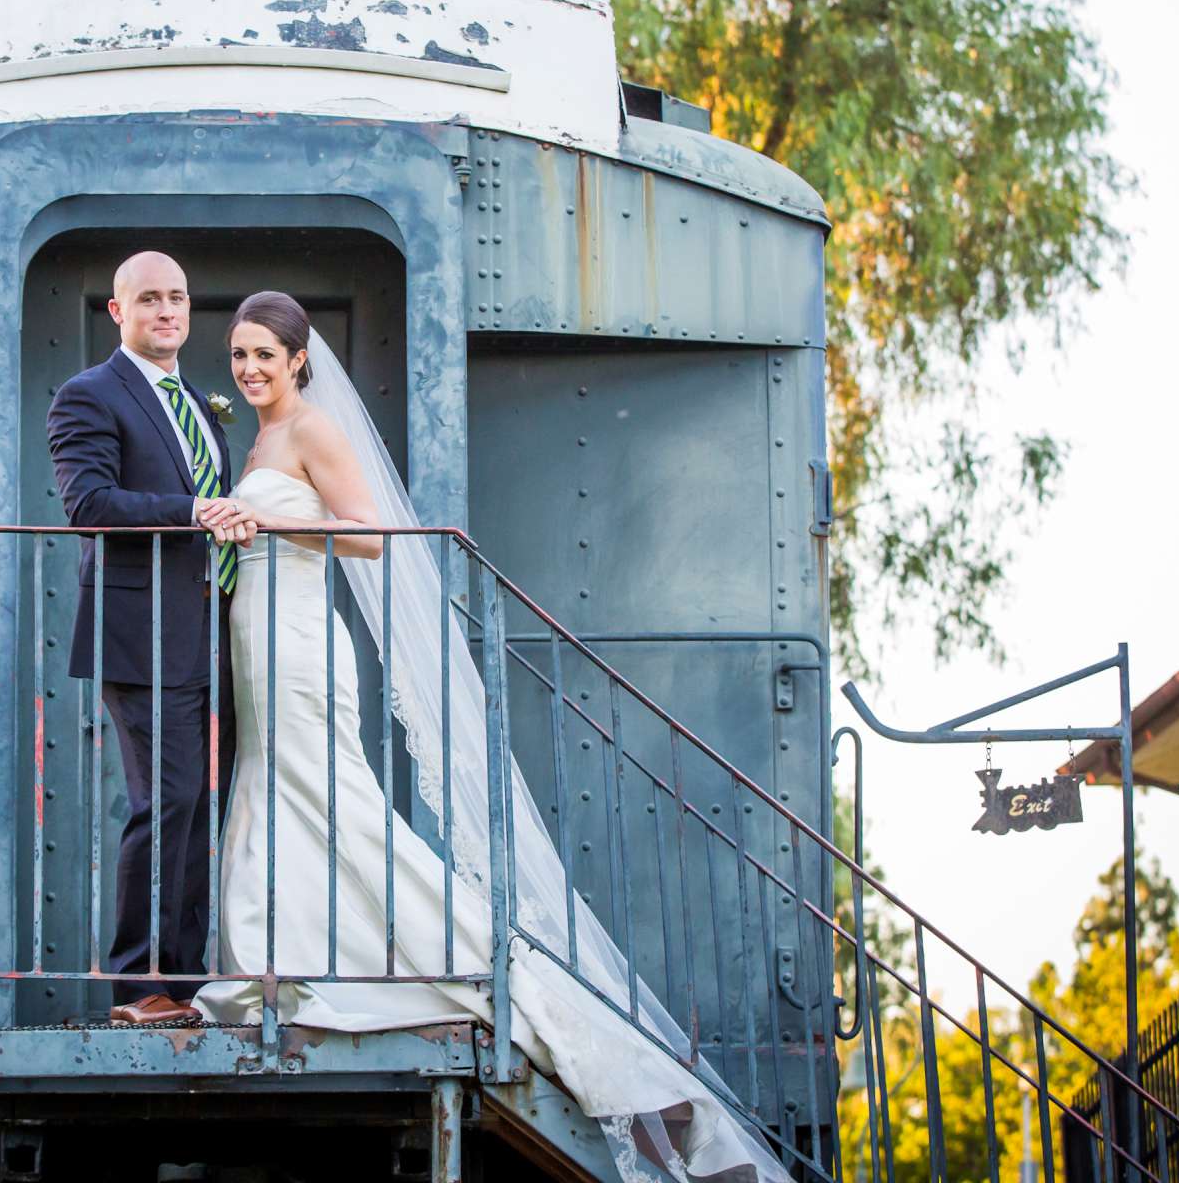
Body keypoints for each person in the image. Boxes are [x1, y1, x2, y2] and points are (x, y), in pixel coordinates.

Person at [193, 291, 787, 1183]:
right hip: (259, 640)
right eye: (238, 356)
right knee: (281, 792)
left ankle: (471, 960)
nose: (247, 370)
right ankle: (293, 961)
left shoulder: (312, 430)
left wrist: (266, 517)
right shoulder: (261, 438)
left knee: (332, 795)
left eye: (263, 357)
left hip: (304, 644)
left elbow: (372, 539)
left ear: (299, 359)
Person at [46, 251, 256, 1027]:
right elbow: (88, 503)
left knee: (199, 809)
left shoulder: (197, 403)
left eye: (178, 297)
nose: (167, 312)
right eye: (150, 300)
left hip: (209, 635)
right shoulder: (87, 395)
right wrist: (194, 509)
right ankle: (138, 987)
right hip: (139, 634)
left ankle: (188, 981)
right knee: (161, 802)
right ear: (118, 312)